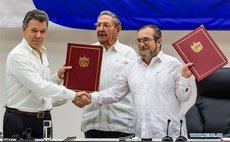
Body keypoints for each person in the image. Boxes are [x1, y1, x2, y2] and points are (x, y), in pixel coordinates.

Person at [75, 24, 194, 139]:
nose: (142, 44)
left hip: (170, 135)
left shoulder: (173, 64)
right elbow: (115, 93)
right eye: (139, 41)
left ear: (159, 41)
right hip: (142, 135)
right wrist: (90, 96)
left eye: (146, 40)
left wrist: (185, 78)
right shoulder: (131, 68)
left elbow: (183, 97)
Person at [3, 9, 85, 139]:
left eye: (43, 31)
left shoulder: (42, 52)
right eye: (34, 30)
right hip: (20, 120)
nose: (38, 36)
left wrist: (58, 77)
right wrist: (73, 95)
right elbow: (40, 86)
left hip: (43, 120)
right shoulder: (18, 55)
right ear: (24, 29)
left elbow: (43, 89)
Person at [81, 10, 138, 138]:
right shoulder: (88, 53)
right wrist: (76, 96)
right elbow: (80, 84)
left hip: (121, 124)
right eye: (98, 25)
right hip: (92, 122)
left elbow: (137, 88)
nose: (100, 29)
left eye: (106, 25)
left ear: (118, 29)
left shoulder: (129, 54)